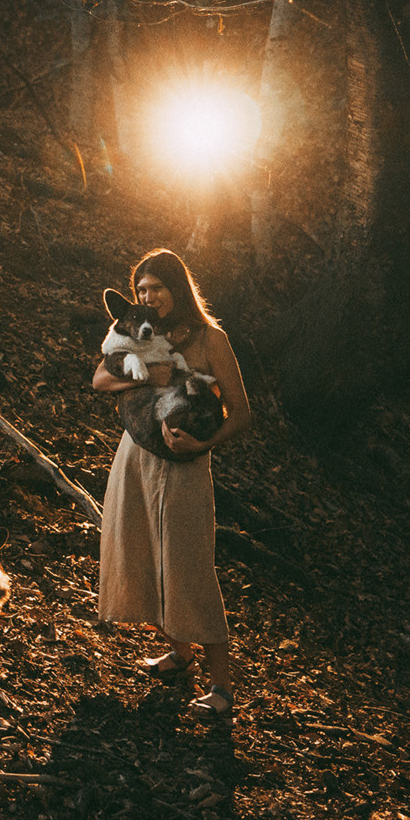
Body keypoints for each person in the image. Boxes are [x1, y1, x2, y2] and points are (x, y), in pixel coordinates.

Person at [91, 248, 252, 716]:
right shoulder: (138, 333)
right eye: (141, 290)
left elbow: (242, 412)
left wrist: (203, 444)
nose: (148, 297)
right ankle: (180, 655)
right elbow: (99, 379)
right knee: (141, 552)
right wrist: (147, 378)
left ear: (177, 288)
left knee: (189, 567)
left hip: (185, 465)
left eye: (157, 287)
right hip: (135, 457)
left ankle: (221, 687)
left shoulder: (210, 338)